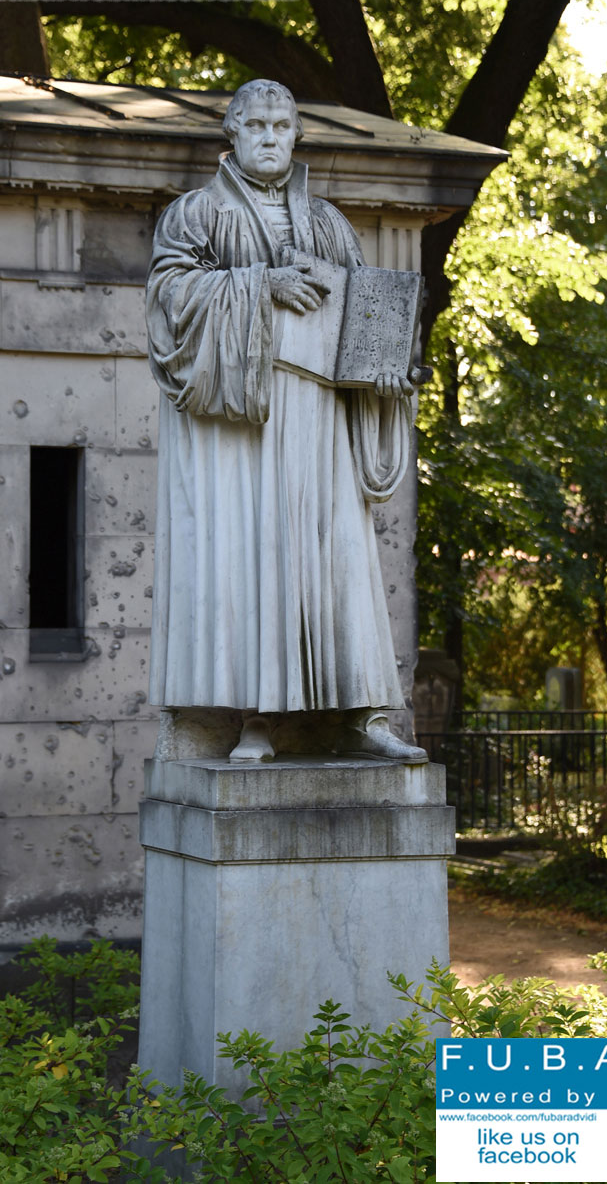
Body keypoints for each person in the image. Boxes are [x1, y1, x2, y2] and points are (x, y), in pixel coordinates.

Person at [146, 78, 426, 763]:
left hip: (323, 427)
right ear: (232, 135)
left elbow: (368, 321)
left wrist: (387, 378)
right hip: (244, 427)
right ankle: (259, 719)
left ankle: (356, 717)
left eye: (281, 126)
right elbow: (167, 300)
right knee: (256, 562)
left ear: (296, 136)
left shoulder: (329, 223)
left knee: (338, 562)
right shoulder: (195, 215)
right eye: (256, 126)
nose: (270, 138)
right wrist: (258, 286)